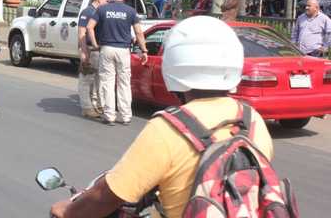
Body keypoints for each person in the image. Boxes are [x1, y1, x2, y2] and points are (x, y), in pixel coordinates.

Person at [50, 16, 273, 218]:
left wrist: (67, 211)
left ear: (173, 65)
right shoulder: (251, 120)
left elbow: (108, 195)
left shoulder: (170, 128)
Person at [86, 0, 148, 126]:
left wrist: (95, 45)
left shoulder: (102, 9)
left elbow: (89, 27)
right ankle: (126, 116)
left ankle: (109, 116)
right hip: (123, 50)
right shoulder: (130, 11)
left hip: (106, 48)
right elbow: (139, 32)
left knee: (107, 83)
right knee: (124, 83)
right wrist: (144, 50)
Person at [77, 0, 109, 118]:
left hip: (99, 50)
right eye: (106, 0)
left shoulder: (100, 13)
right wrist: (84, 53)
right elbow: (81, 34)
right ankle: (86, 108)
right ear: (98, 0)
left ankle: (96, 105)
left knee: (98, 80)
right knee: (86, 80)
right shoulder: (87, 12)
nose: (108, 3)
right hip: (90, 49)